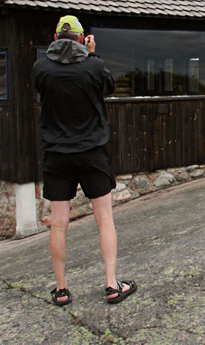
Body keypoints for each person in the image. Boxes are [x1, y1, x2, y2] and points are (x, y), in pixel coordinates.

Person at [33, 15, 137, 306]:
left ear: (55, 39)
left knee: (58, 224)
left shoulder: (41, 67)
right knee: (104, 219)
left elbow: (43, 84)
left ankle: (62, 289)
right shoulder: (93, 65)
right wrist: (92, 55)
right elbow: (108, 86)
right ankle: (111, 284)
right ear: (82, 39)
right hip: (92, 152)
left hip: (56, 154)